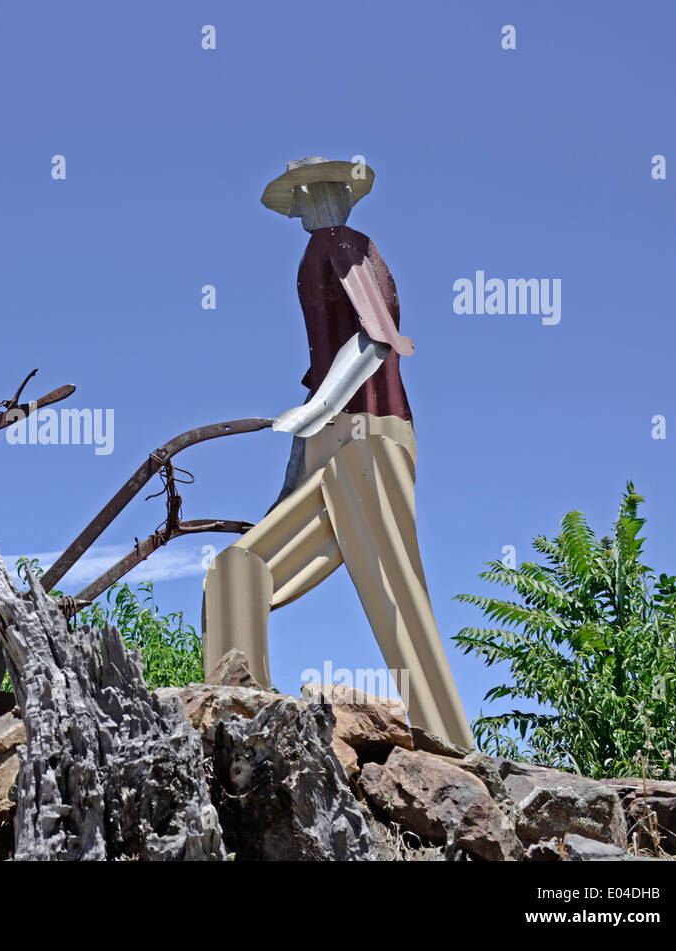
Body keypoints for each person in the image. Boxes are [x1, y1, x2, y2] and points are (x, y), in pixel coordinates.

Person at [202, 157, 475, 748]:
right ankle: (248, 734)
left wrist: (318, 411)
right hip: (355, 438)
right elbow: (338, 358)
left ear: (329, 199)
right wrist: (298, 461)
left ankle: (454, 755)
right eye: (304, 197)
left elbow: (376, 338)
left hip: (362, 436)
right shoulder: (348, 247)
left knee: (395, 599)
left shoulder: (336, 245)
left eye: (314, 194)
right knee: (241, 572)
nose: (310, 206)